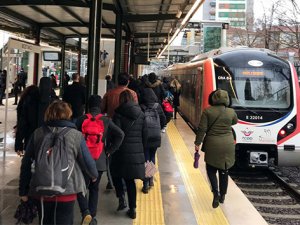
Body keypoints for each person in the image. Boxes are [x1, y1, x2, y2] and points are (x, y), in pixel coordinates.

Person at [19, 100, 98, 225]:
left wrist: (23, 191)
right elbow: (88, 162)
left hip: (41, 189)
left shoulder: (37, 133)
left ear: (48, 114)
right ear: (68, 115)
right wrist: (94, 176)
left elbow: (26, 163)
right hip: (67, 190)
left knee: (45, 221)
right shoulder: (76, 135)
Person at [76, 95, 124, 225]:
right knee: (94, 188)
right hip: (99, 159)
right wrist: (109, 150)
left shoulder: (81, 120)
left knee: (81, 188)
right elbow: (120, 134)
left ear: (88, 105)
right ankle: (92, 215)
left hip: (83, 160)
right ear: (100, 105)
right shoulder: (106, 120)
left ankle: (85, 212)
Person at [194, 89, 238, 208]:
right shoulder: (231, 111)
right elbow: (235, 122)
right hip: (228, 144)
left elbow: (202, 129)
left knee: (211, 170)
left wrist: (197, 143)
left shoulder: (208, 111)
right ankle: (223, 195)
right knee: (224, 170)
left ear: (213, 98)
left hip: (212, 144)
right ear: (227, 100)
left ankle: (216, 193)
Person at [111, 90, 147, 219]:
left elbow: (116, 134)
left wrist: (110, 148)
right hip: (136, 151)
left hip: (120, 151)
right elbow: (145, 135)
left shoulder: (118, 114)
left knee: (115, 174)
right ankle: (133, 209)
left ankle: (121, 197)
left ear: (121, 100)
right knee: (130, 181)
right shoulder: (141, 114)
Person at [139, 88, 166, 192]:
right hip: (155, 135)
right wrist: (159, 127)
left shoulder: (141, 107)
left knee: (146, 158)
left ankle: (145, 182)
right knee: (152, 157)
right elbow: (164, 119)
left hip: (145, 136)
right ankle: (150, 179)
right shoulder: (157, 106)